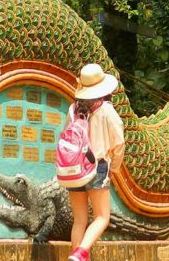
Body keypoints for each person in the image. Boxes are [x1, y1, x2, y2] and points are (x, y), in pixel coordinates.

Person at [65, 64, 126, 261]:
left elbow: (66, 135)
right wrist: (114, 168)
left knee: (80, 220)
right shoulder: (107, 111)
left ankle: (76, 256)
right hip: (97, 166)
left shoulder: (73, 109)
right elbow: (119, 143)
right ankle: (81, 253)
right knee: (102, 217)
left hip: (74, 167)